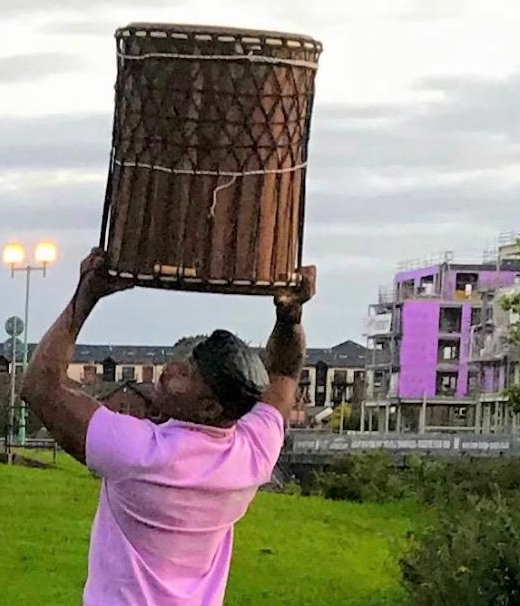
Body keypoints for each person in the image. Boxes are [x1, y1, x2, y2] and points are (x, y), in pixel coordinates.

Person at [21, 247, 313, 606]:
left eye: (186, 375)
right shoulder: (253, 454)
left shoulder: (140, 454)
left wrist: (86, 297)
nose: (169, 370)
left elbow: (41, 388)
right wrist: (290, 317)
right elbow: (285, 373)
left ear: (209, 408)